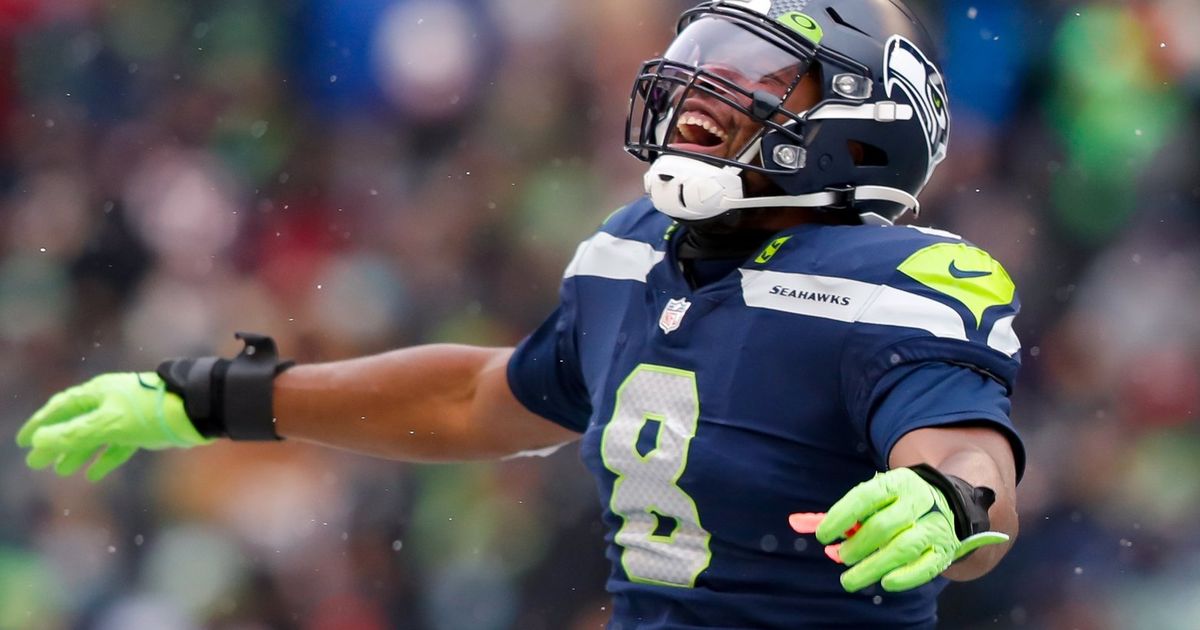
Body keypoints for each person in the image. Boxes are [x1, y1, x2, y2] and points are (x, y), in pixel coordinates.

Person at [17, 0, 1025, 627]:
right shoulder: (634, 253)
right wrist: (223, 397)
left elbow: (969, 450)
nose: (705, 90)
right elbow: (474, 399)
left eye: (759, 73)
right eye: (709, 54)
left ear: (857, 126)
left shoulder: (905, 280)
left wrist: (950, 501)